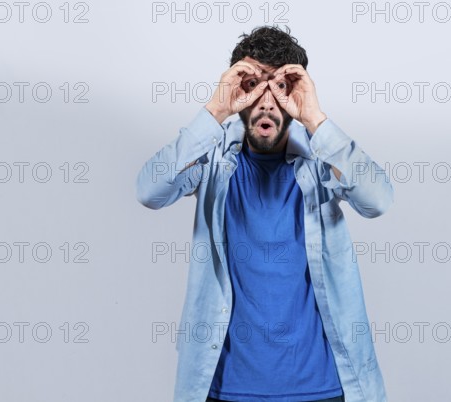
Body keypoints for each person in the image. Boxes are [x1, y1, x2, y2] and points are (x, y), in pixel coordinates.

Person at [136, 26, 394, 402]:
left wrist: (314, 118)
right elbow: (149, 191)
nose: (268, 102)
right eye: (254, 85)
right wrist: (216, 109)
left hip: (322, 388)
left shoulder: (321, 159)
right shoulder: (212, 158)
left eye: (281, 87)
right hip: (225, 389)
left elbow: (378, 200)